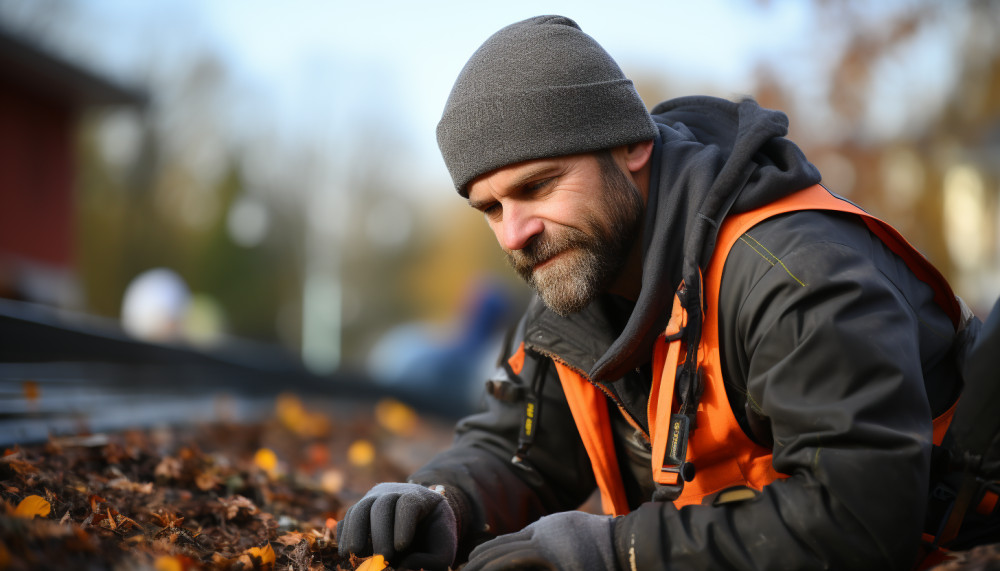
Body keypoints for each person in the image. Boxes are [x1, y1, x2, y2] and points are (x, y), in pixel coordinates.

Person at [337, 15, 980, 570]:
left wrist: (615, 554)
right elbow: (522, 450)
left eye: (537, 187)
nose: (514, 234)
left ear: (632, 145)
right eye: (491, 208)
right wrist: (444, 500)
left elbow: (861, 523)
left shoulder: (795, 277)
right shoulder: (577, 273)